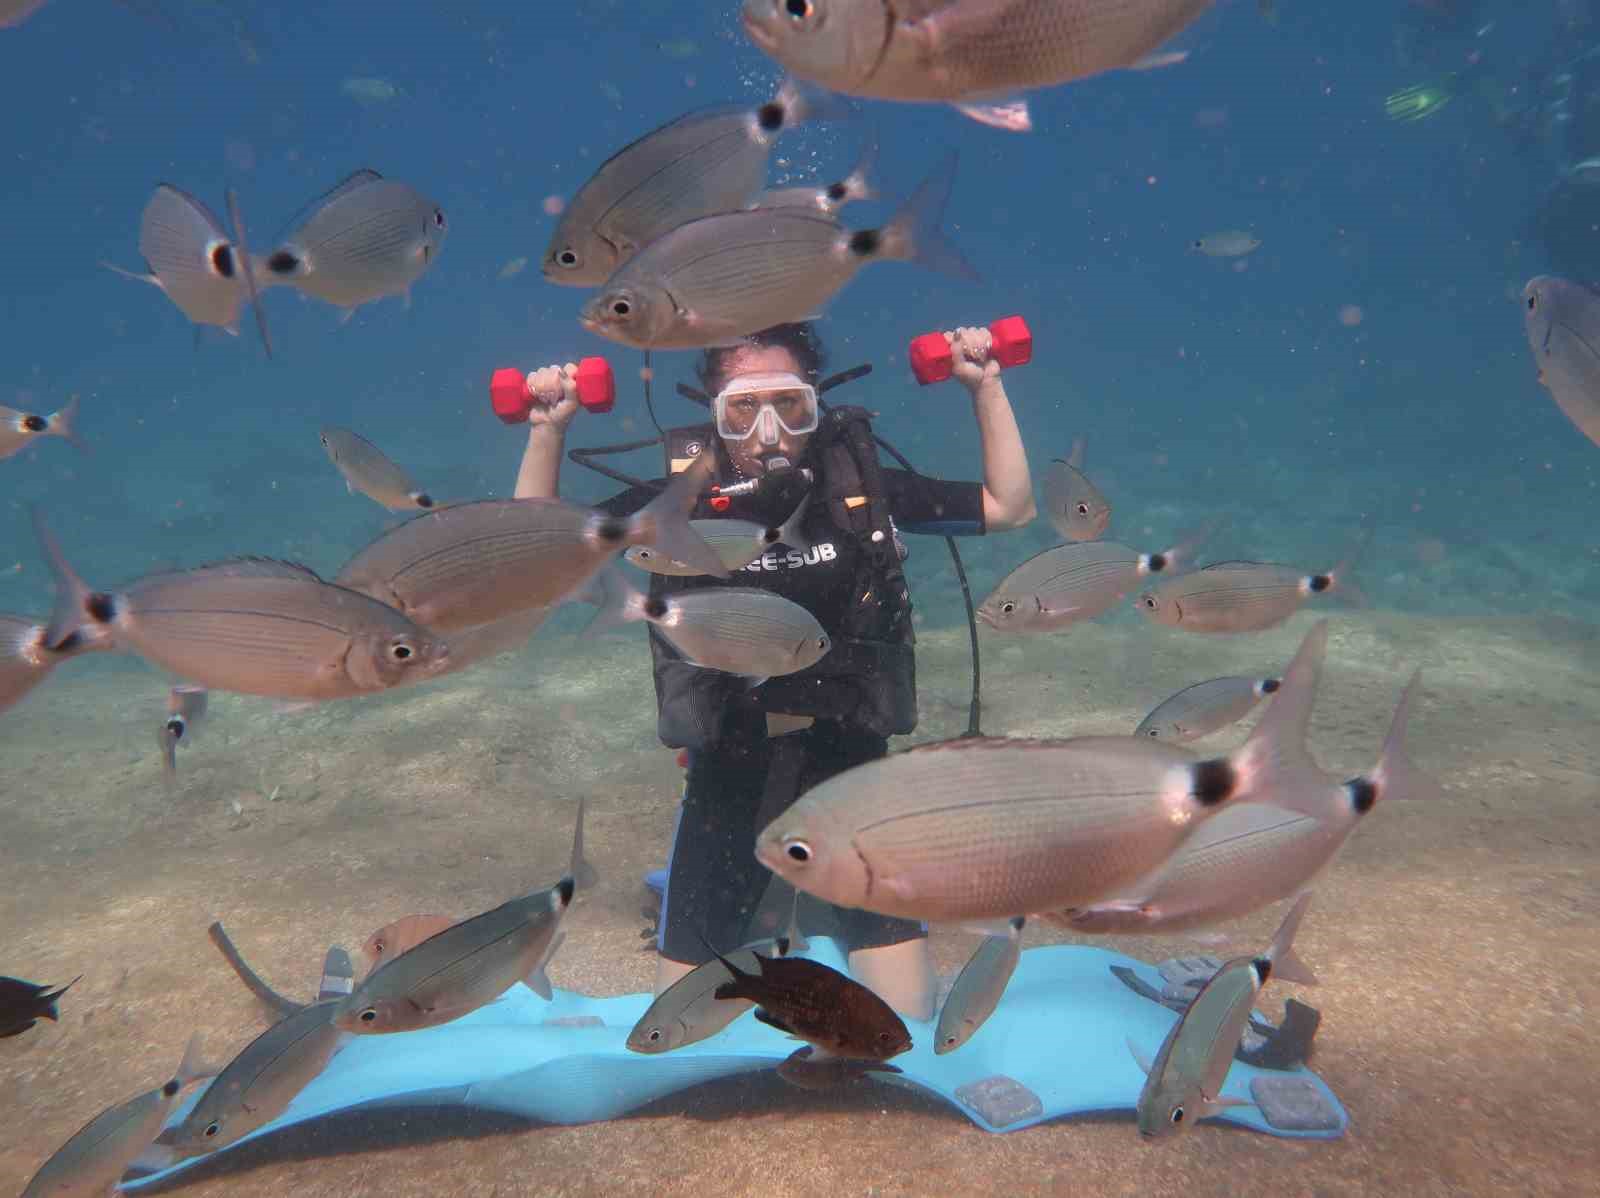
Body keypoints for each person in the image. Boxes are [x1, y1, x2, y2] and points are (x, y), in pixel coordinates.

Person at [512, 322, 1035, 1020]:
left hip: (849, 764)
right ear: (712, 410)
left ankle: (798, 895)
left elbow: (1010, 506)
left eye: (789, 406)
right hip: (728, 766)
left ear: (815, 402)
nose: (768, 432)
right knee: (680, 1020)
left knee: (908, 1017)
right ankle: (740, 894)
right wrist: (547, 430)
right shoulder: (680, 505)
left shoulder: (854, 483)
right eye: (741, 408)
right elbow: (535, 554)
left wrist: (986, 385)